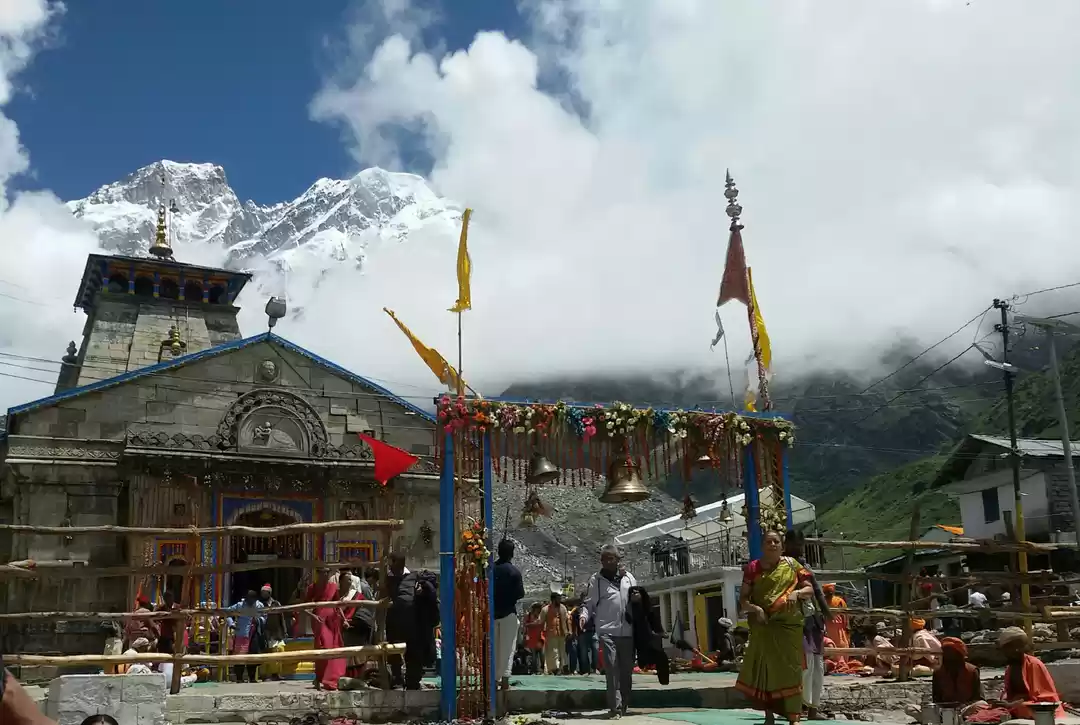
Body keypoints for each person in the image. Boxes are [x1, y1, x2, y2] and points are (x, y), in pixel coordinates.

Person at [735, 530, 815, 725]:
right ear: (762, 546)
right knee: (766, 671)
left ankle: (794, 717)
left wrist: (797, 594)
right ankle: (769, 715)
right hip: (763, 627)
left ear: (782, 546)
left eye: (776, 542)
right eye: (768, 542)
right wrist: (756, 609)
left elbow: (810, 589)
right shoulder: (752, 568)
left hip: (789, 626)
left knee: (792, 669)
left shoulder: (792, 565)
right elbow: (743, 600)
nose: (772, 545)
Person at [579, 544, 637, 719]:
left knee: (626, 671)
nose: (607, 561)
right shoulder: (596, 580)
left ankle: (625, 703)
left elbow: (638, 598)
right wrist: (583, 616)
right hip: (606, 631)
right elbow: (589, 603)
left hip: (627, 631)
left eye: (610, 558)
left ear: (618, 560)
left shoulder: (629, 578)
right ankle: (615, 707)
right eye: (604, 558)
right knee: (611, 668)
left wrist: (637, 599)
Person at [384, 552, 439, 690]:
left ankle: (412, 683)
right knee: (394, 653)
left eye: (393, 563)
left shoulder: (415, 577)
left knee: (414, 654)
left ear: (400, 563)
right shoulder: (388, 579)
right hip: (394, 624)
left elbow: (429, 591)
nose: (391, 567)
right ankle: (397, 680)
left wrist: (422, 590)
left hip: (415, 624)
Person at [996, 626, 1065, 721]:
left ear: (1016, 647)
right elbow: (1009, 693)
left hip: (1040, 707)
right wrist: (1004, 701)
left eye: (1006, 648)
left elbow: (1039, 696)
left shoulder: (1033, 664)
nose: (1003, 652)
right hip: (1015, 704)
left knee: (1022, 708)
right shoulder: (1010, 667)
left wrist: (1012, 704)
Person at [305, 568, 345, 690]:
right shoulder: (312, 587)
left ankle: (331, 677)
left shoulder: (333, 586)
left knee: (333, 647)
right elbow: (304, 607)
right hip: (319, 620)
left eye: (328, 572)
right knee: (322, 647)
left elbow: (338, 604)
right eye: (324, 572)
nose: (326, 574)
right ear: (318, 574)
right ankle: (319, 677)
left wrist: (344, 619)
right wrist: (314, 616)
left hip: (332, 620)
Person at [493, 538, 525, 689]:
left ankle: (493, 680)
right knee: (508, 647)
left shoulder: (490, 570)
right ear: (512, 553)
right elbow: (520, 594)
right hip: (508, 614)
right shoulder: (515, 572)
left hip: (492, 614)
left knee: (493, 648)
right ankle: (505, 681)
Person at [226, 589, 265, 683]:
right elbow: (227, 612)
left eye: (252, 599)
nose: (250, 601)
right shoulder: (240, 605)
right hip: (241, 633)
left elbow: (265, 616)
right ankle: (239, 678)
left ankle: (252, 677)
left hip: (255, 632)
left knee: (253, 654)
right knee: (239, 656)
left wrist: (260, 620)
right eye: (249, 599)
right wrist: (231, 623)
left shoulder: (260, 605)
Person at [258, 584, 288, 681]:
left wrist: (285, 630)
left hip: (277, 632)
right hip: (266, 632)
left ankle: (276, 673)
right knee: (268, 653)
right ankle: (266, 675)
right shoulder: (260, 604)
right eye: (262, 592)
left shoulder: (276, 603)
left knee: (280, 652)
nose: (263, 594)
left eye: (265, 592)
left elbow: (281, 618)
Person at [541, 592, 570, 675]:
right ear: (553, 599)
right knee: (554, 652)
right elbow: (541, 621)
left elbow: (567, 620)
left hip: (561, 633)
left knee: (562, 652)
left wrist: (568, 631)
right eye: (558, 598)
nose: (560, 600)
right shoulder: (545, 609)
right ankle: (555, 668)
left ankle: (562, 668)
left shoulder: (563, 608)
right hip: (551, 633)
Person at [821, 584, 850, 660]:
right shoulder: (822, 601)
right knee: (832, 644)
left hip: (838, 626)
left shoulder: (838, 600)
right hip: (828, 626)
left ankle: (841, 662)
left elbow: (845, 614)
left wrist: (847, 625)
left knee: (841, 644)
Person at [523, 602, 545, 674]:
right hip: (531, 638)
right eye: (537, 608)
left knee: (542, 655)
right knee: (534, 656)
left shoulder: (541, 616)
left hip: (540, 638)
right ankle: (534, 670)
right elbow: (525, 625)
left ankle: (542, 669)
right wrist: (534, 624)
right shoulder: (528, 616)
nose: (538, 609)